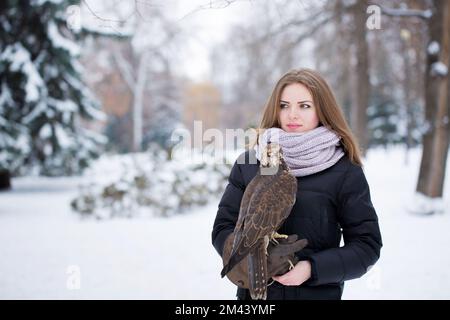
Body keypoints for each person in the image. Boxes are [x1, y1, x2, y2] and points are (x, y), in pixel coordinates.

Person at [211, 68, 383, 300]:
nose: (292, 114)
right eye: (284, 105)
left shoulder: (344, 171)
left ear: (322, 110)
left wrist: (312, 269)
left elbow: (366, 246)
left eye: (304, 106)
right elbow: (223, 228)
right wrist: (252, 255)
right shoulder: (250, 163)